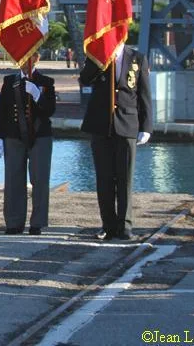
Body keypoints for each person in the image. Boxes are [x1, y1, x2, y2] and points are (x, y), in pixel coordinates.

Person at [79, 43, 153, 241]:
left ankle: (125, 225)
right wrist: (100, 60)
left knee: (125, 178)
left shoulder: (138, 57)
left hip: (127, 123)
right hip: (100, 124)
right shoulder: (97, 55)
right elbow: (85, 79)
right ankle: (108, 225)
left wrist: (146, 127)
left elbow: (144, 94)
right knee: (104, 179)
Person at [0, 51, 56, 235]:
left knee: (40, 179)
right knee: (13, 179)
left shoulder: (46, 82)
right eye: (21, 57)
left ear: (37, 58)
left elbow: (49, 110)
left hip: (40, 136)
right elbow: (2, 112)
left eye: (30, 57)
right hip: (13, 136)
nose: (25, 61)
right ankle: (13, 222)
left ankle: (37, 222)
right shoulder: (9, 81)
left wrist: (37, 95)